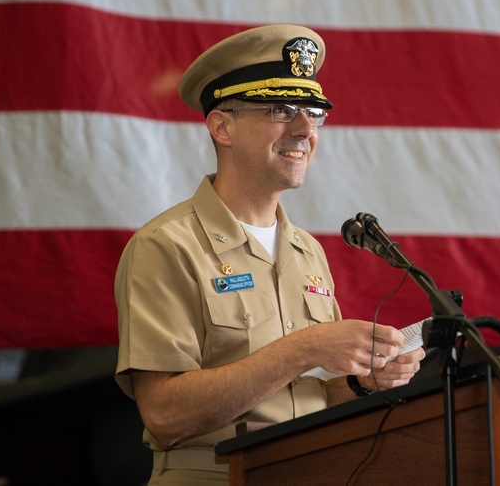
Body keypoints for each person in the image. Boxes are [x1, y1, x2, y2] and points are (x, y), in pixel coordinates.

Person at [114, 24, 425, 484]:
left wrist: (363, 381)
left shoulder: (308, 252)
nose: (304, 129)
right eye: (281, 110)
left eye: (314, 112)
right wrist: (304, 349)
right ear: (223, 126)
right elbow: (164, 413)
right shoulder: (166, 245)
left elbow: (308, 399)